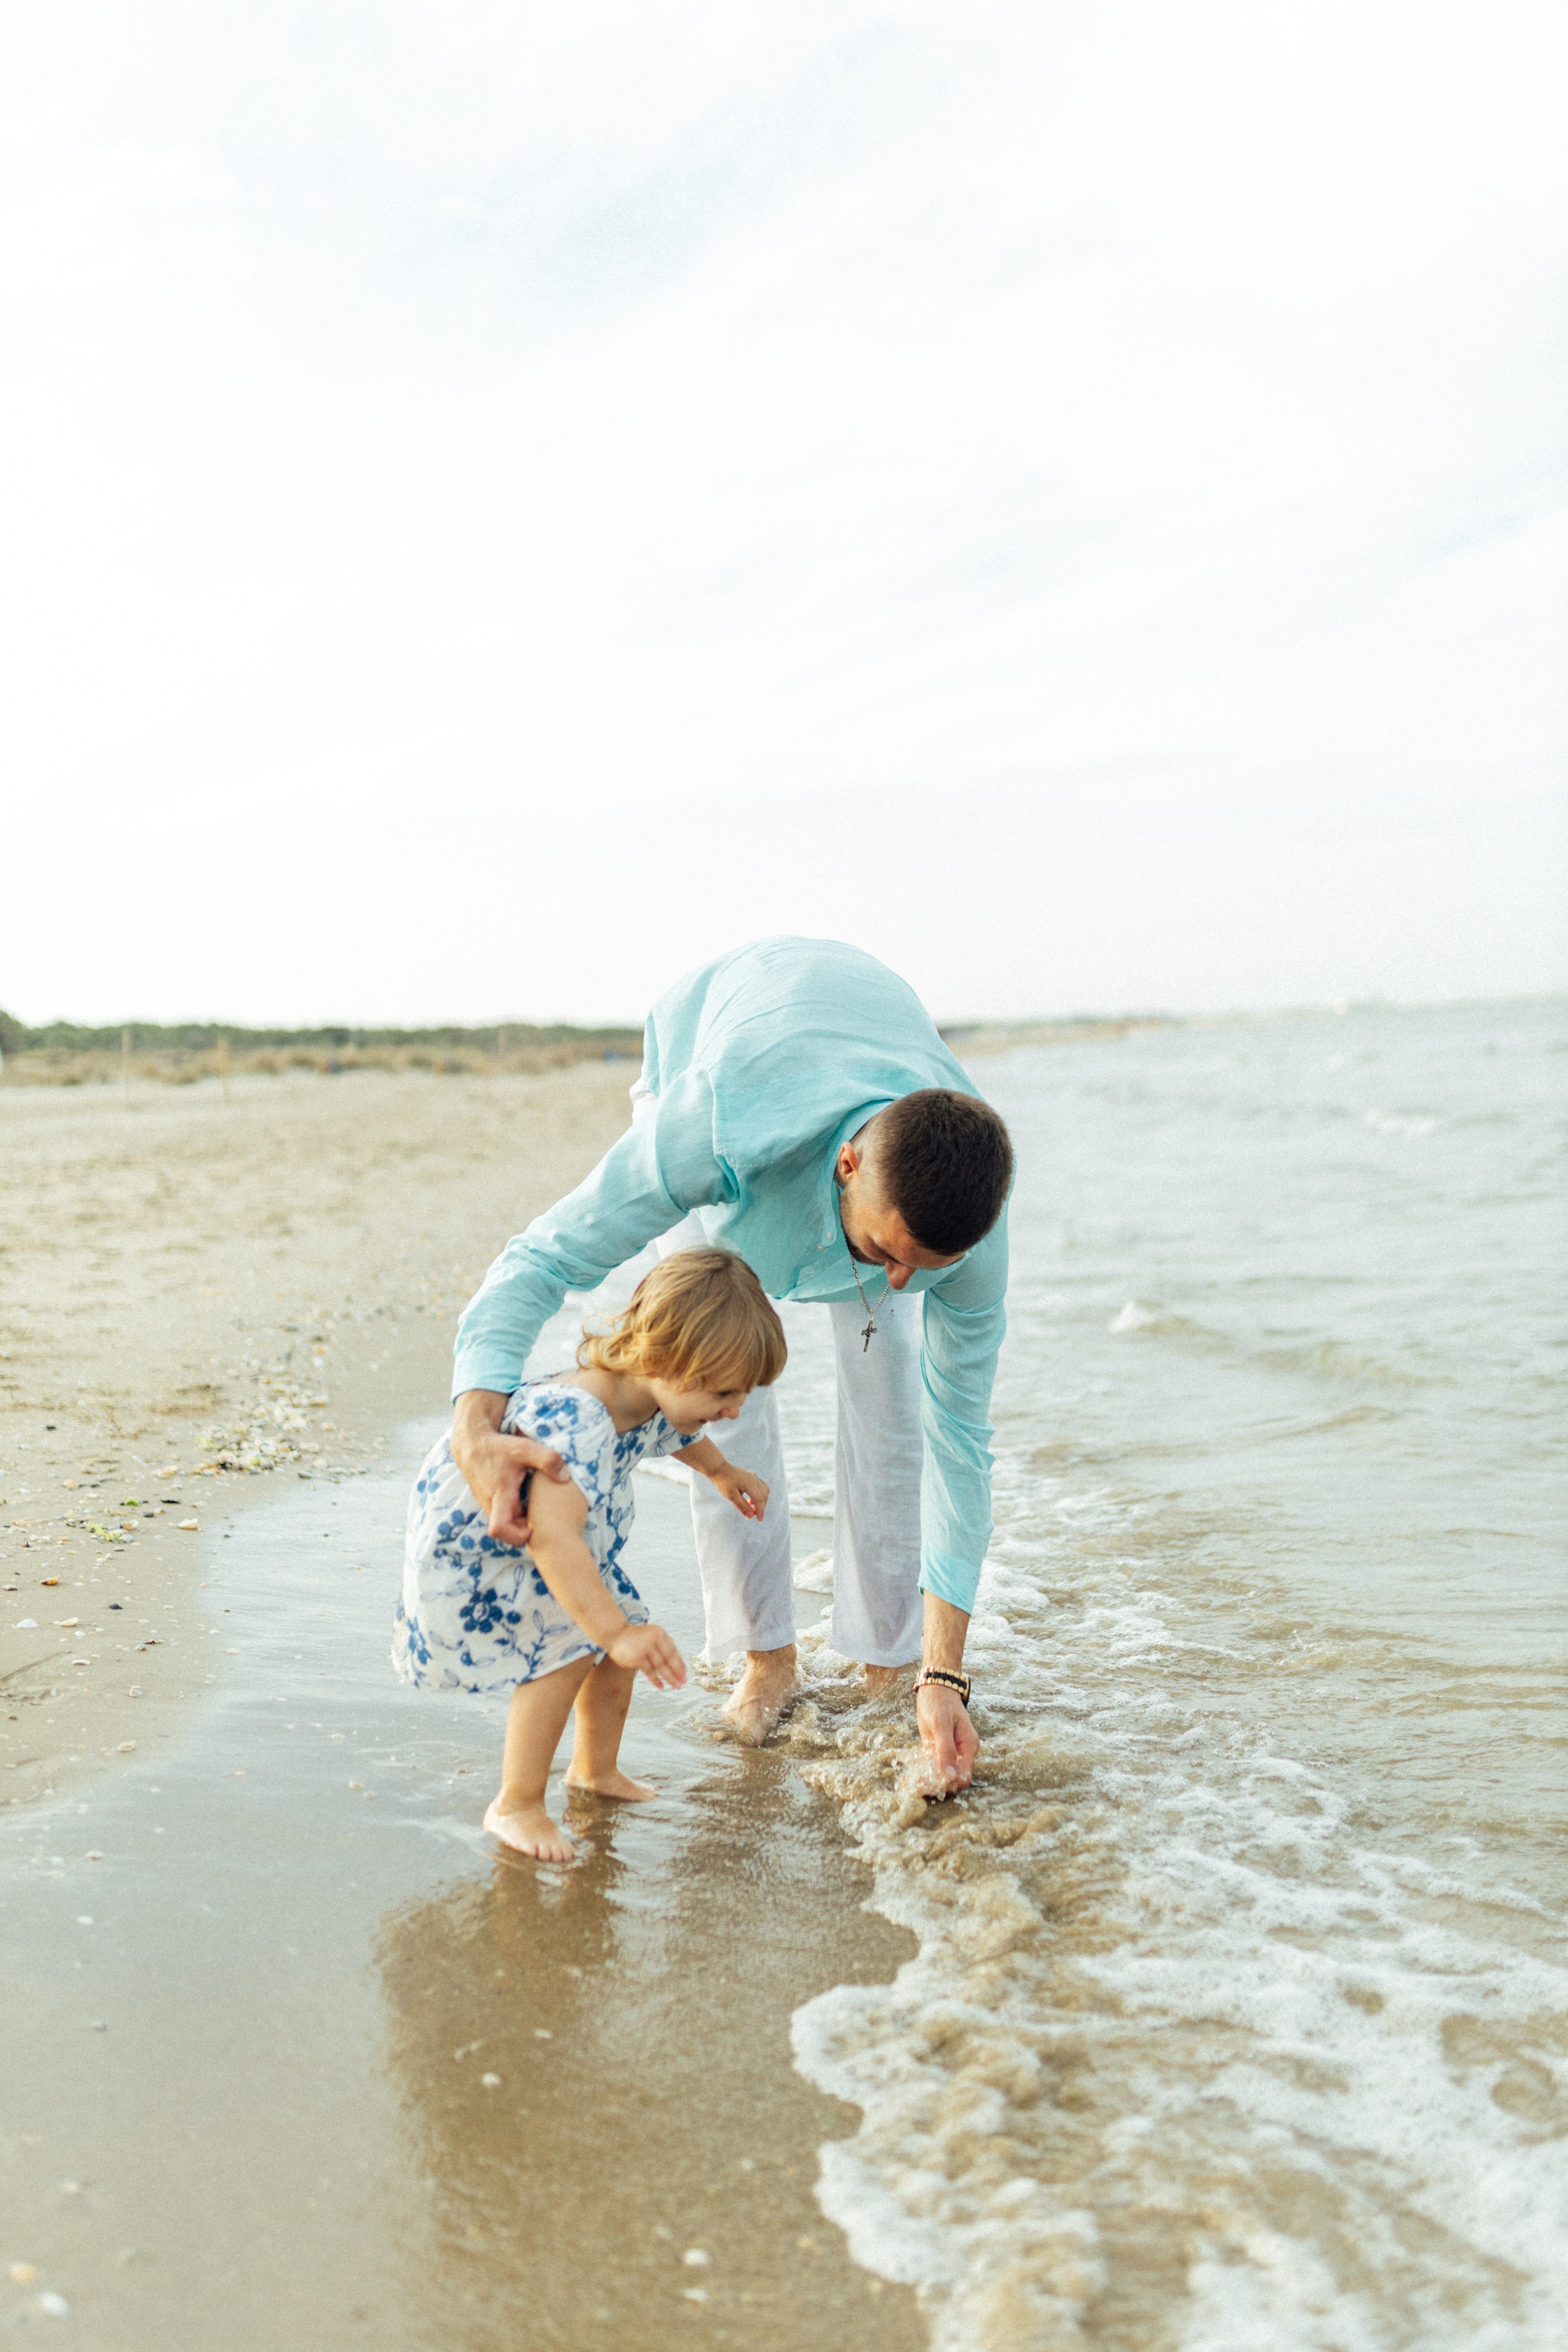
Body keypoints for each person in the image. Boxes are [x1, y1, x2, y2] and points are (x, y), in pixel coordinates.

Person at [450, 936, 1013, 1794]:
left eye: (921, 1269)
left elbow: (961, 1446)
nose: (895, 1281)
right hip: (724, 1061)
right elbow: (543, 1258)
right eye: (883, 1252)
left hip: (855, 1057)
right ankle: (767, 1655)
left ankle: (893, 1666)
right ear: (849, 1165)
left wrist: (949, 1674)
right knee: (709, 1388)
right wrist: (475, 1422)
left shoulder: (967, 1229)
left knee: (894, 1394)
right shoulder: (710, 1129)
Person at [394, 1248, 786, 1860]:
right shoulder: (575, 1422)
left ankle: (593, 1770)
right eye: (725, 1392)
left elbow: (678, 1435)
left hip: (564, 1547)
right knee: (568, 1652)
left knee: (612, 1648)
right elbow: (552, 1539)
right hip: (498, 1549)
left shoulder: (648, 1394)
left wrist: (722, 1471)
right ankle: (517, 1803)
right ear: (665, 1360)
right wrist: (614, 1633)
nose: (735, 1409)